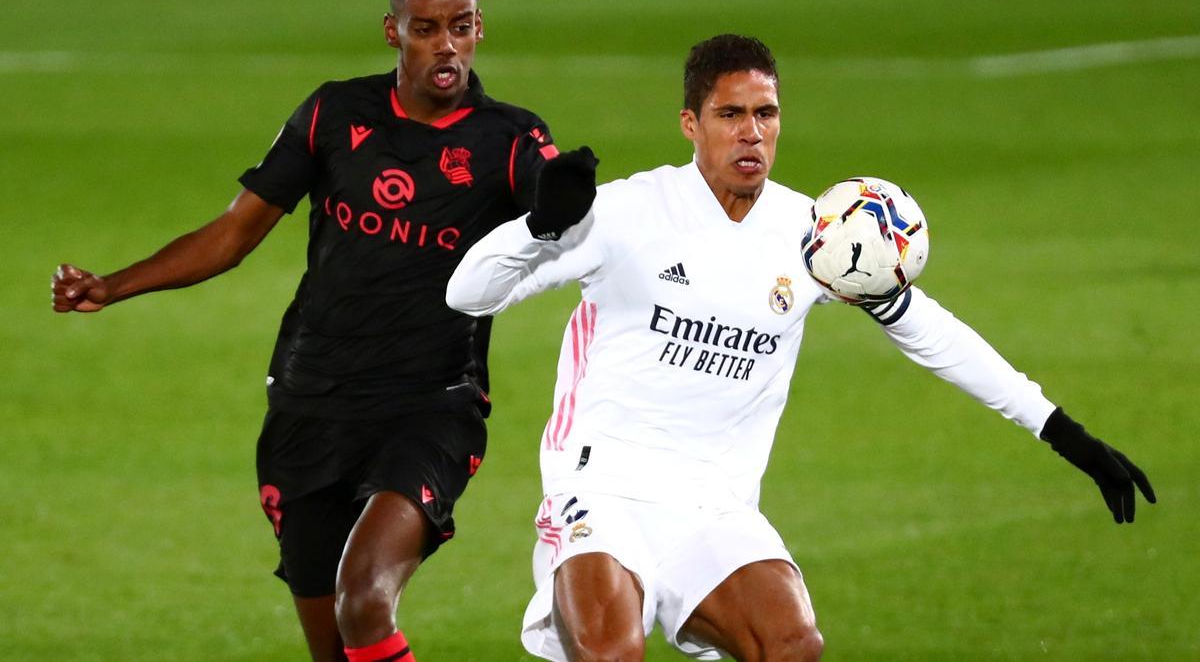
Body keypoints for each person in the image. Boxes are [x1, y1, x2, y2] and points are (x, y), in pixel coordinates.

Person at [445, 34, 1156, 661]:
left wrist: (1061, 430)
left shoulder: (819, 235)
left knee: (792, 643)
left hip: (714, 505)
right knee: (609, 651)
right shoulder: (629, 211)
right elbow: (467, 293)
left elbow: (932, 333)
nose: (752, 132)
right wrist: (539, 227)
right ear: (691, 124)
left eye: (766, 113)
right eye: (731, 114)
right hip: (601, 487)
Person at [49, 0, 597, 660]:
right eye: (426, 29)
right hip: (310, 404)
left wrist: (566, 198)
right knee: (336, 647)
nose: (446, 45)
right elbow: (233, 234)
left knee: (364, 596)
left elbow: (557, 202)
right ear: (393, 32)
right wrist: (113, 285)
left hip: (427, 408)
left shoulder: (507, 138)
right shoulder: (335, 113)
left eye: (460, 27)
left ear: (479, 27)